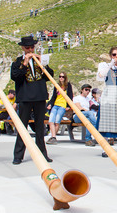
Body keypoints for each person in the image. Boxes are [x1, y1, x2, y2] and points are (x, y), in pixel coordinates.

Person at [10, 36, 54, 165]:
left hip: (40, 96)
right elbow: (15, 77)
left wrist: (43, 64)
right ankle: (18, 155)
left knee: (40, 127)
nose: (30, 49)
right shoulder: (17, 62)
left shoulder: (39, 61)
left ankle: (42, 154)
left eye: (31, 47)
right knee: (22, 127)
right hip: (25, 97)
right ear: (23, 48)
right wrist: (24, 64)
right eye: (27, 47)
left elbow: (49, 76)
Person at [46, 72, 73, 145]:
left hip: (62, 105)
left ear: (65, 78)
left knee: (57, 122)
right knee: (51, 121)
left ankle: (53, 137)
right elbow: (54, 97)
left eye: (63, 77)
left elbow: (70, 96)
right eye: (60, 76)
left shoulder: (68, 86)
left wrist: (68, 106)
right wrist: (50, 104)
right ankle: (53, 136)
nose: (61, 78)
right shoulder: (57, 86)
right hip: (55, 105)